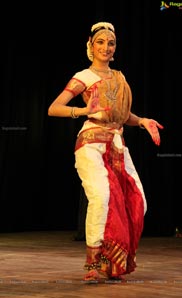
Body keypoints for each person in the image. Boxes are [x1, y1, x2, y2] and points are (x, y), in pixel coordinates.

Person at [48, 21, 164, 282]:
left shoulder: (119, 77)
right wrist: (82, 111)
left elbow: (122, 115)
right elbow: (54, 108)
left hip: (117, 144)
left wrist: (142, 121)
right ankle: (94, 262)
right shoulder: (84, 77)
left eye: (110, 43)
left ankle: (113, 261)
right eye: (100, 42)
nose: (106, 47)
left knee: (137, 201)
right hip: (91, 143)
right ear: (91, 45)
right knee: (101, 198)